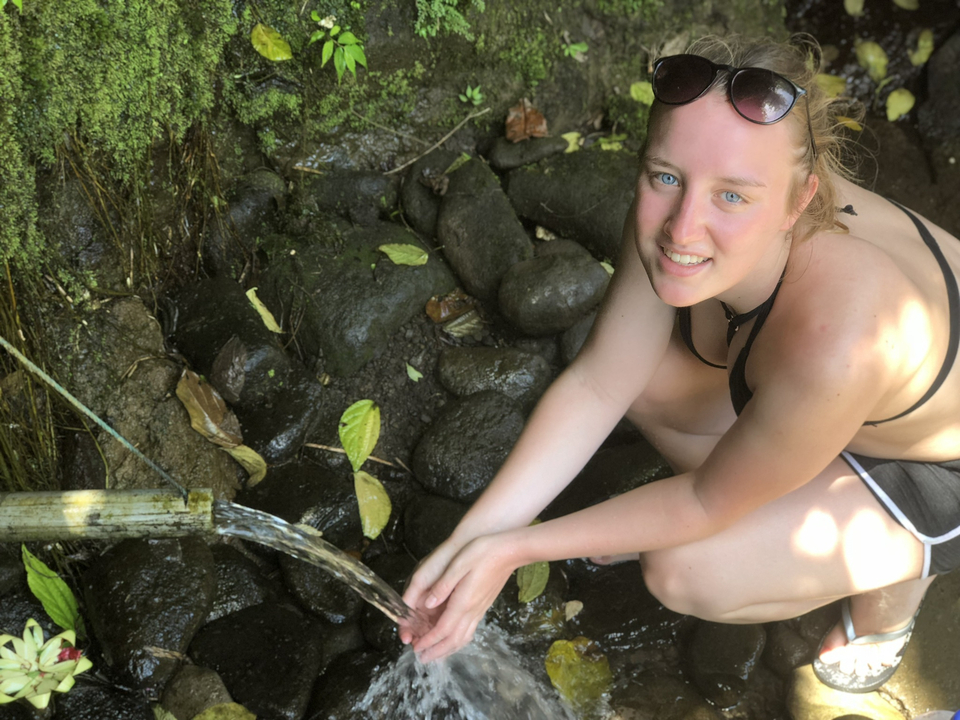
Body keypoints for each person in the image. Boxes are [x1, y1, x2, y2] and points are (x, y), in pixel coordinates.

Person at [399, 33, 960, 694]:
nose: (683, 227)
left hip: (940, 464)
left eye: (732, 197)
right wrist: (472, 542)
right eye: (665, 176)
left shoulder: (843, 334)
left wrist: (515, 548)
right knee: (649, 381)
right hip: (837, 398)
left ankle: (901, 581)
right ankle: (788, 469)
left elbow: (704, 500)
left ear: (800, 200)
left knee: (686, 568)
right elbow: (601, 382)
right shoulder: (688, 210)